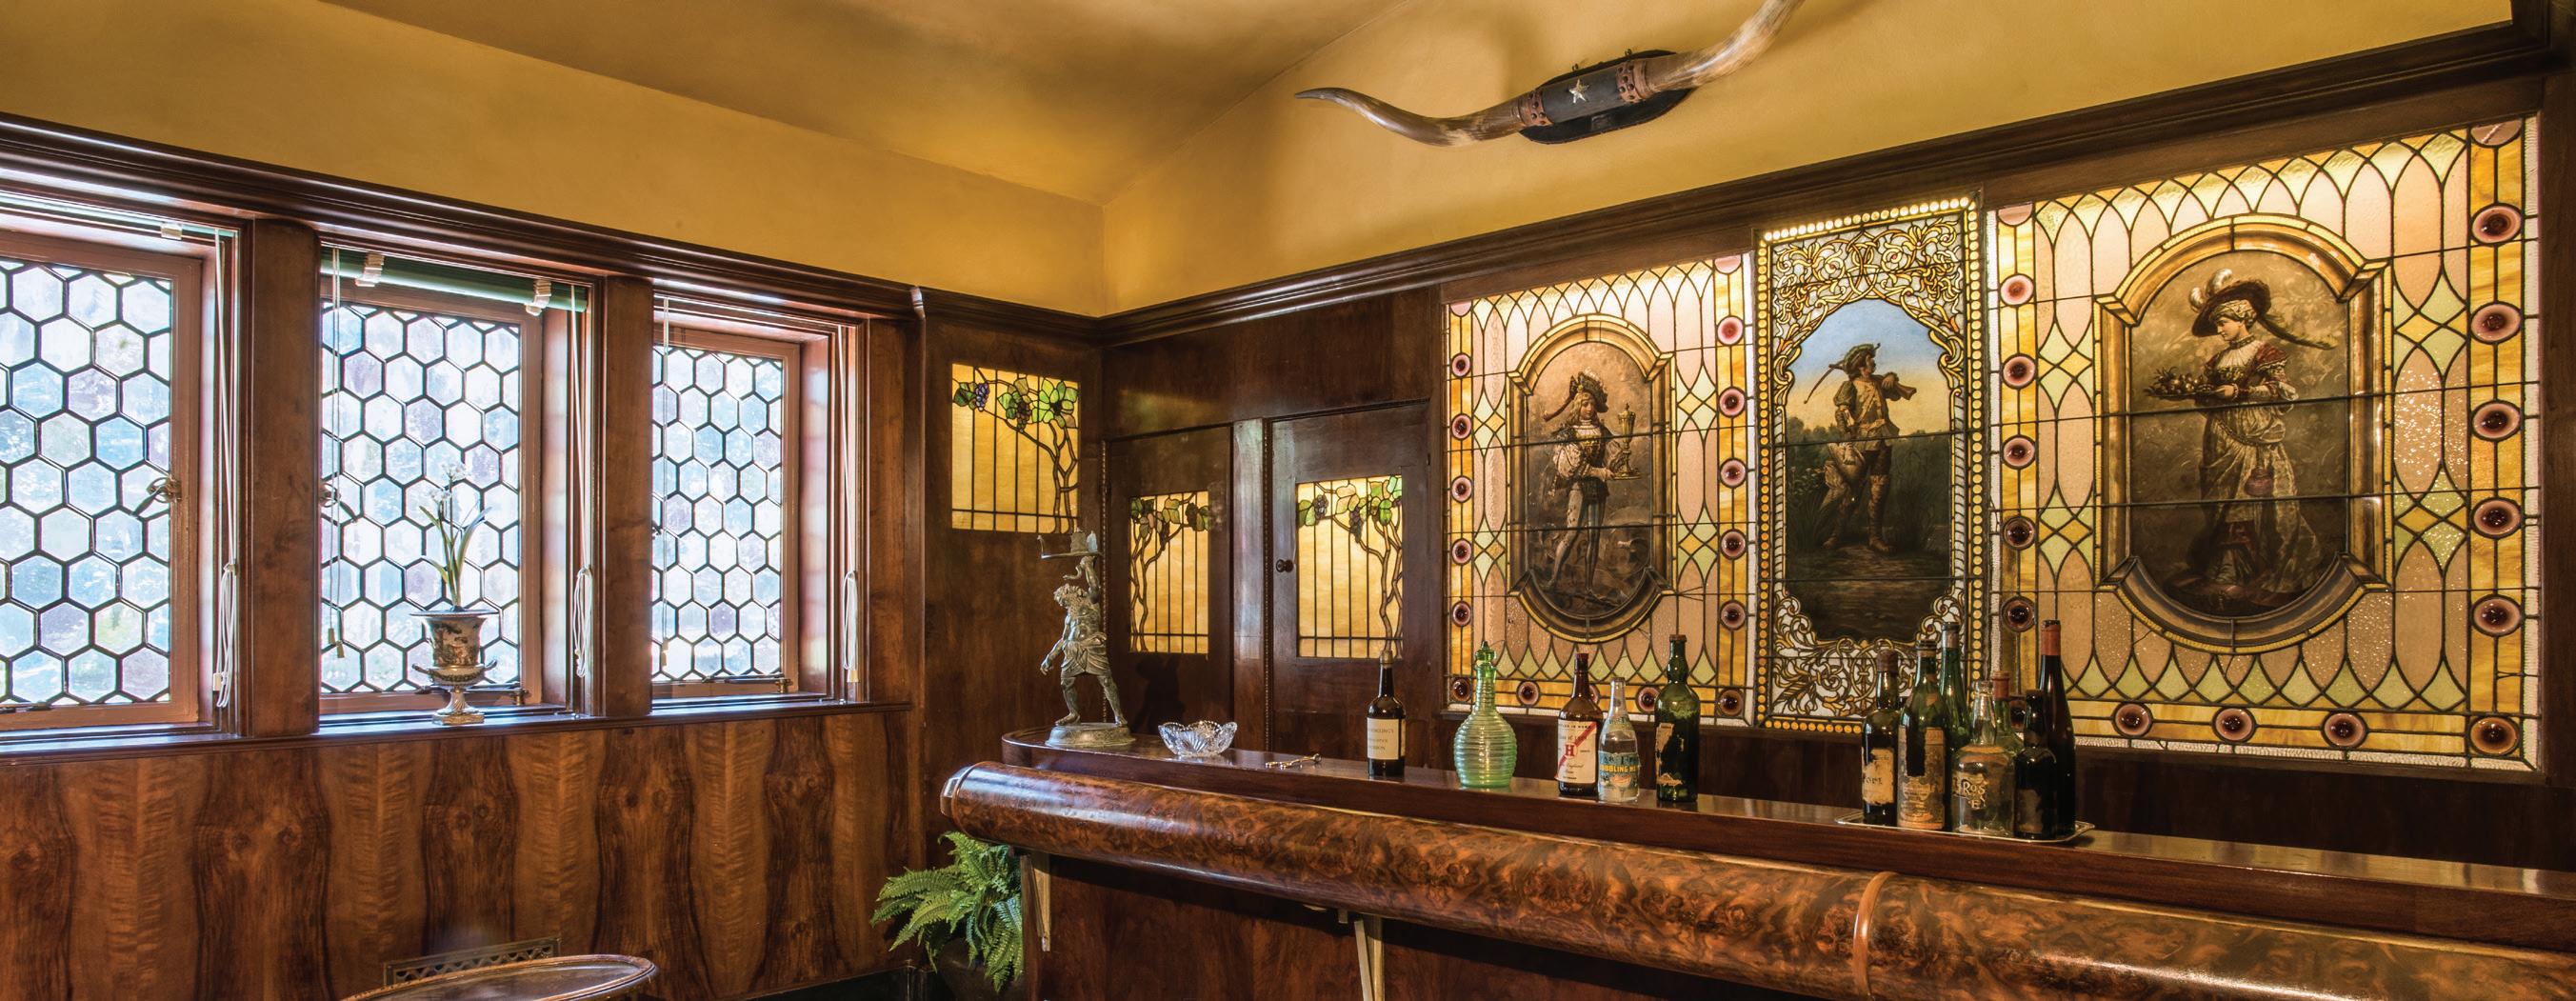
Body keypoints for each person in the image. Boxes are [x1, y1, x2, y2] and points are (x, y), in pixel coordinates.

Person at [2169, 270, 2331, 612]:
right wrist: (2203, 394)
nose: (2220, 330)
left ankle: (2248, 571)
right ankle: (2224, 568)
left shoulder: (2264, 353)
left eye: (2223, 323)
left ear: (2243, 317)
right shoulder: (2216, 360)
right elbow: (2209, 397)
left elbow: (2284, 391)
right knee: (2221, 504)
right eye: (2217, 325)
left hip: (2255, 439)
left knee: (2250, 504)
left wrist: (2241, 392)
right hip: (2220, 438)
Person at [1805, 344, 1916, 552]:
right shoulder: (1850, 386)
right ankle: (1836, 536)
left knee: (1879, 490)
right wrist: (1848, 435)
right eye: (1869, 359)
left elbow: (1896, 393)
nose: (1873, 362)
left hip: (1883, 439)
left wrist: (1892, 376)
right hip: (1862, 441)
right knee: (1852, 491)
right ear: (1861, 364)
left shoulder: (1879, 380)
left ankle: (1875, 538)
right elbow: (1843, 414)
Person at [1541, 371, 1628, 589]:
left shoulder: (1601, 430)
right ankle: (1554, 580)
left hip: (1599, 490)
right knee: (1571, 534)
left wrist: (1619, 464)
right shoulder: (1568, 433)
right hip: (1579, 488)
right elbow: (1571, 466)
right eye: (1585, 404)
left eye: (1592, 405)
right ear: (1577, 405)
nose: (1589, 408)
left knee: (1594, 537)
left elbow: (1612, 457)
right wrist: (1599, 472)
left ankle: (1588, 588)